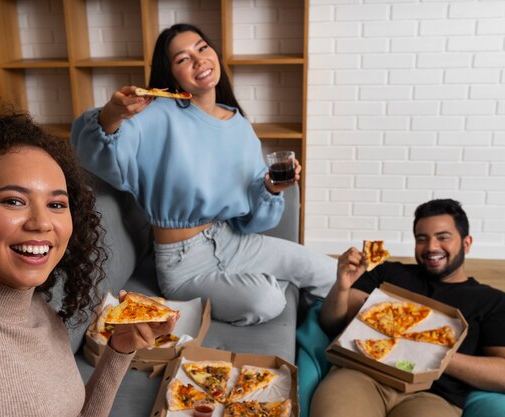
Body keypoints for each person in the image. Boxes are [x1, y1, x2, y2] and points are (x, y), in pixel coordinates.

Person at [0, 105, 178, 417]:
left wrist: (120, 349)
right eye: (13, 201)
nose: (42, 222)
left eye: (56, 204)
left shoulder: (39, 310)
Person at [70, 23, 336, 326]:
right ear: (170, 74)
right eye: (182, 59)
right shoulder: (154, 115)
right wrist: (112, 114)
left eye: (202, 48)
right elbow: (92, 151)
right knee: (268, 300)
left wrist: (272, 189)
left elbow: (252, 220)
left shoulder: (239, 127)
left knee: (329, 272)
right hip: (182, 262)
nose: (199, 61)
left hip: (234, 240)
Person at [313, 199, 505, 417]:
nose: (432, 247)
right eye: (422, 239)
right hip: (360, 376)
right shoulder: (388, 273)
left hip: (432, 397)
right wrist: (342, 286)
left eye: (443, 237)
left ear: (466, 243)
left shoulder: (497, 302)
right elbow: (332, 321)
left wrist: (429, 351)